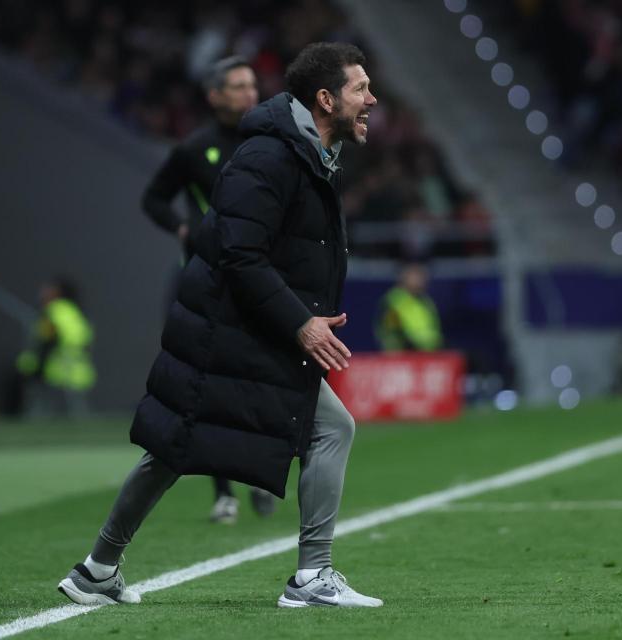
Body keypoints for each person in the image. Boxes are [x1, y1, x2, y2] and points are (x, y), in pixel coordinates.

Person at [58, 42, 382, 608]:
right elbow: (241, 256)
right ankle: (312, 577)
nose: (371, 99)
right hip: (228, 333)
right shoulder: (270, 156)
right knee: (320, 430)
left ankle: (96, 571)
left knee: (175, 444)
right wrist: (301, 323)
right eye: (360, 88)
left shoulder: (311, 152)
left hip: (244, 329)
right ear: (326, 99)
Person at [141, 56, 274, 524]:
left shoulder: (270, 141)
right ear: (214, 95)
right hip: (206, 279)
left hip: (260, 280)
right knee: (206, 385)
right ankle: (223, 493)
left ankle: (259, 476)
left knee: (258, 383)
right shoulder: (195, 148)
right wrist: (180, 227)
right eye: (237, 86)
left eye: (252, 84)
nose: (249, 93)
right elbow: (153, 198)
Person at [16, 277, 95, 416]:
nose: (43, 291)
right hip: (77, 368)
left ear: (57, 292)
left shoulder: (53, 311)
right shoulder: (73, 311)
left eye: (48, 288)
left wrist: (34, 363)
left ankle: (35, 416)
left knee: (29, 372)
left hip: (55, 366)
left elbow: (47, 339)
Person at [376, 262, 443, 351]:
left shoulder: (426, 301)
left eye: (421, 276)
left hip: (431, 352)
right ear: (404, 277)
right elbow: (392, 332)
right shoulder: (394, 301)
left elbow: (434, 330)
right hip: (405, 354)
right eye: (415, 276)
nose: (420, 280)